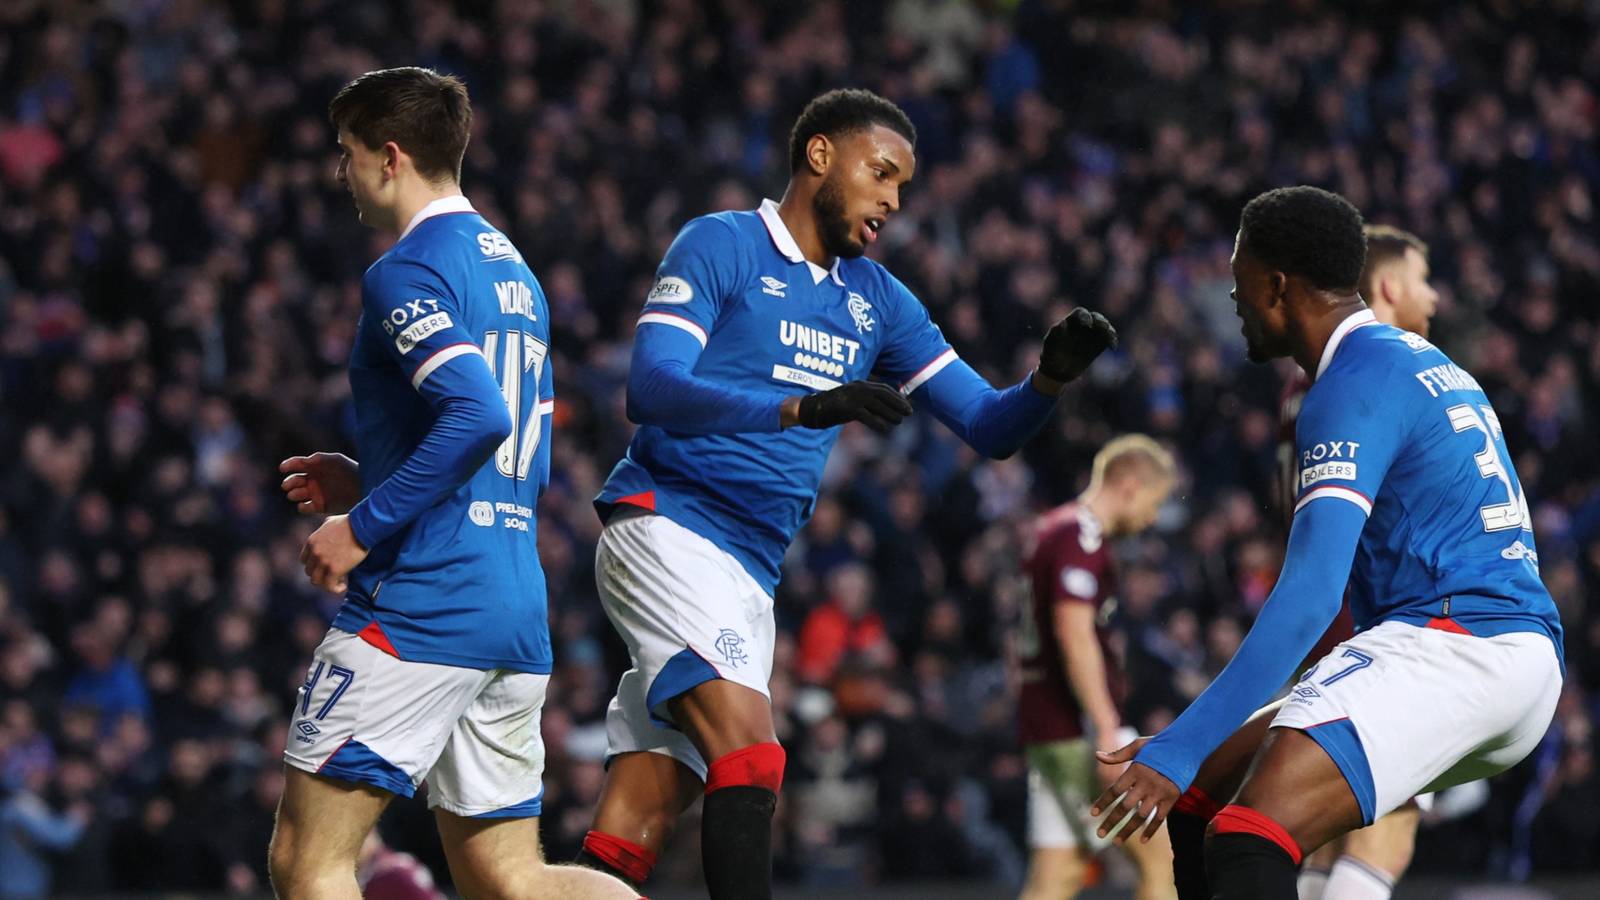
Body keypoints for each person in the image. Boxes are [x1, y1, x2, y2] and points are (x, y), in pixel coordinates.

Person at [573, 88, 1118, 899]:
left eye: (904, 186)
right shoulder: (722, 244)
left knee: (640, 816)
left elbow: (988, 426)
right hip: (670, 525)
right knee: (752, 756)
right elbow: (650, 388)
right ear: (820, 154)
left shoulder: (879, 301)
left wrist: (1048, 381)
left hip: (750, 572)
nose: (894, 200)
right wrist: (798, 408)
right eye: (882, 173)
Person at [1090, 186, 1563, 899]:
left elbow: (1312, 593)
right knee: (1201, 801)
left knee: (1249, 832)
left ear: (1276, 284)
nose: (1233, 295)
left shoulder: (1350, 385)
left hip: (1456, 645)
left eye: (1239, 276)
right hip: (1496, 647)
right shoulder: (1419, 362)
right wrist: (1193, 754)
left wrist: (1179, 744)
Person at [266, 67, 634, 900]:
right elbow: (520, 458)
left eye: (348, 152)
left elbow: (477, 418)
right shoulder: (516, 274)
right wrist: (371, 480)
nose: (341, 172)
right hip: (512, 604)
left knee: (309, 861)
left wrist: (363, 526)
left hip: (422, 604)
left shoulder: (405, 269)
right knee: (512, 880)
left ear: (390, 156)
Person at [1172, 225, 1445, 900]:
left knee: (1316, 830)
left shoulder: (1307, 384)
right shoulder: (1379, 380)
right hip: (1384, 624)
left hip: (1331, 626)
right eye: (1423, 280)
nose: (1435, 298)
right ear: (1388, 287)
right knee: (1388, 830)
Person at [1015, 435, 1177, 900]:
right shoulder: (1080, 535)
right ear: (1130, 485)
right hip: (1082, 730)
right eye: (1154, 501)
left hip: (1048, 728)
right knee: (1165, 863)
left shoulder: (1051, 527)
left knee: (1057, 875)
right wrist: (1106, 727)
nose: (1152, 516)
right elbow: (1073, 630)